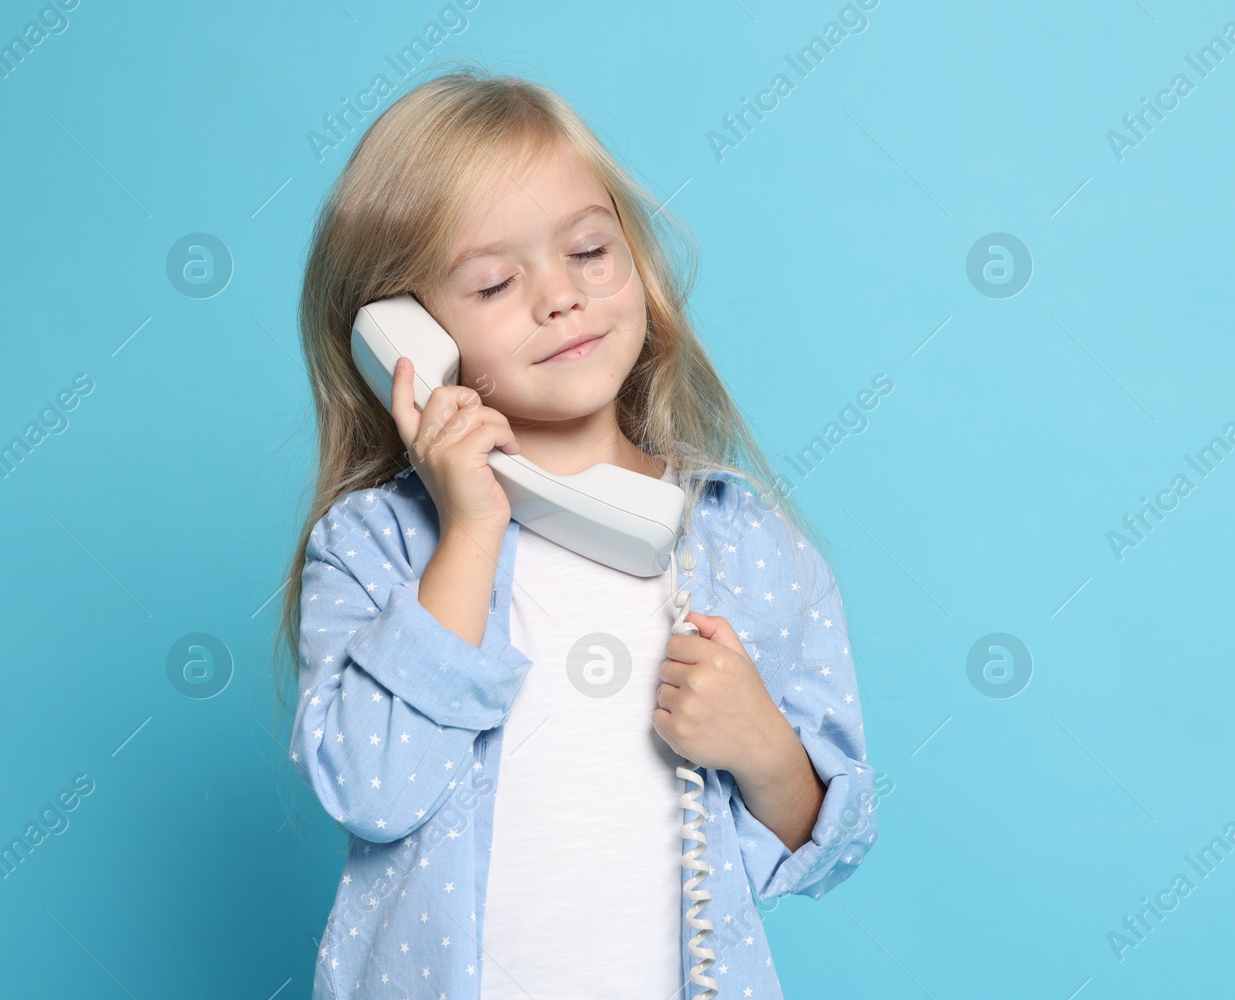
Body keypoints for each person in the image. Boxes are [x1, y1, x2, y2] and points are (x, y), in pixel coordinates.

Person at [273, 65, 877, 999]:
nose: (560, 296)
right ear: (404, 336)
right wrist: (470, 526)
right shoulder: (377, 545)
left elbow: (823, 844)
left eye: (589, 251)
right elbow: (371, 787)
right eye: (495, 280)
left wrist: (762, 746)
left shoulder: (741, 543)